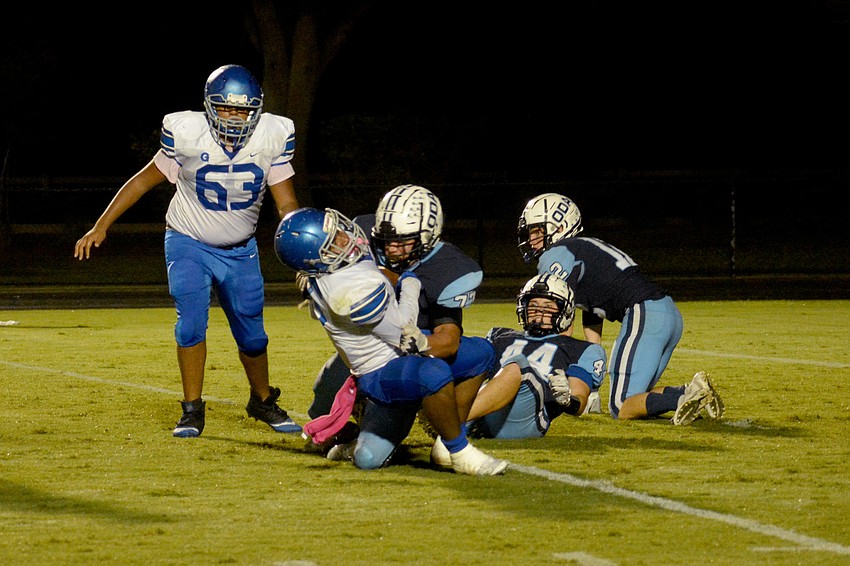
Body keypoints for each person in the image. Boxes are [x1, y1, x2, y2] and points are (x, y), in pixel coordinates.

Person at [73, 64, 301, 438]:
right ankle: (192, 409)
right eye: (226, 108)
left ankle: (262, 400)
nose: (234, 117)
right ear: (210, 107)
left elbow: (286, 203)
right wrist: (102, 224)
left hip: (240, 249)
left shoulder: (271, 137)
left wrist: (297, 241)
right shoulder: (188, 134)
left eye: (242, 110)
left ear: (256, 110)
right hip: (187, 240)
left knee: (253, 336)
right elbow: (143, 181)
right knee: (191, 323)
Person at [274, 206, 507, 476]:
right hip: (380, 372)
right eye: (333, 240)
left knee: (481, 352)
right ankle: (460, 455)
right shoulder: (345, 293)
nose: (344, 236)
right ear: (317, 260)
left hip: (399, 357)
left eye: (337, 229)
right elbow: (403, 331)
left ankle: (450, 443)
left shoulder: (335, 265)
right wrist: (411, 282)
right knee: (370, 456)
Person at [305, 185, 495, 450]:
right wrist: (311, 271)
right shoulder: (362, 235)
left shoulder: (448, 268)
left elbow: (448, 342)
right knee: (321, 406)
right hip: (372, 350)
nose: (391, 249)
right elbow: (314, 253)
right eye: (385, 239)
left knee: (478, 354)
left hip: (415, 351)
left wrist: (419, 344)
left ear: (427, 238)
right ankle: (360, 419)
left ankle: (447, 428)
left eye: (402, 241)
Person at [516, 193, 725, 425]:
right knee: (635, 399)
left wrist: (559, 367)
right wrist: (589, 368)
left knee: (621, 405)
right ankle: (691, 392)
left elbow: (556, 311)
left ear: (561, 227)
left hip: (644, 313)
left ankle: (686, 396)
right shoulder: (585, 247)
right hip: (666, 314)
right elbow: (591, 307)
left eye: (538, 231)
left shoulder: (558, 252)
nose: (532, 239)